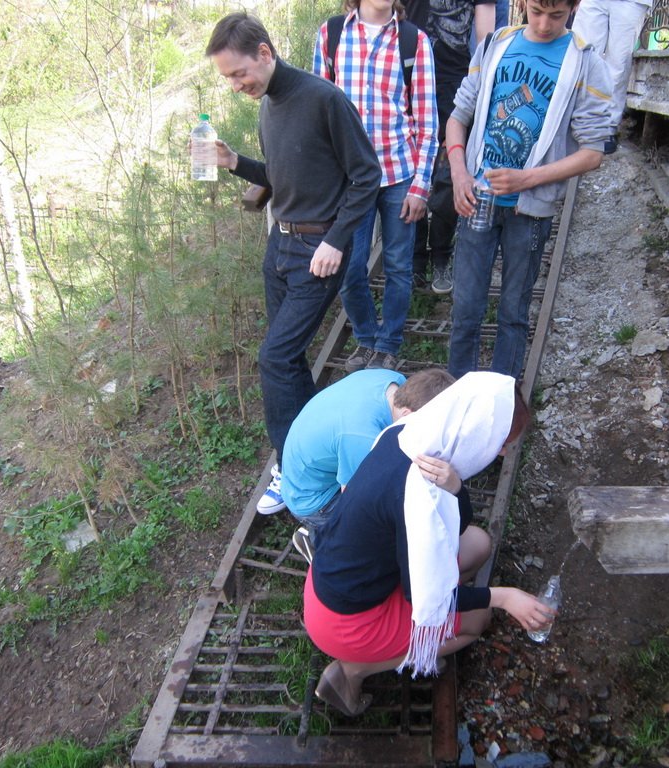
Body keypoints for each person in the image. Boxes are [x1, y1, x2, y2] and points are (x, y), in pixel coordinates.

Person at [204, 13, 381, 514]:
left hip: (318, 253)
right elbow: (283, 178)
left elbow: (366, 175)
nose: (236, 85)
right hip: (279, 248)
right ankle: (314, 454)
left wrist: (337, 241)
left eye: (239, 73)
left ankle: (292, 466)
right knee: (289, 359)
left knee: (275, 358)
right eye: (228, 78)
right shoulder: (268, 105)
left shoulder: (323, 99)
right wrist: (235, 163)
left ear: (264, 52)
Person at [304, 372, 555, 716]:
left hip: (335, 581)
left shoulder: (409, 433)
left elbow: (459, 524)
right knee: (478, 619)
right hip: (344, 621)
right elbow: (424, 596)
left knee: (478, 543)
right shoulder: (415, 493)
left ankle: (403, 636)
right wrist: (504, 597)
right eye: (501, 442)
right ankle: (353, 669)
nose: (501, 452)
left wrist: (455, 487)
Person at [445, 0, 614, 380]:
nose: (543, 24)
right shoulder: (495, 45)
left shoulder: (585, 62)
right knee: (465, 309)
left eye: (556, 15)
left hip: (531, 211)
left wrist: (527, 179)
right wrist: (459, 174)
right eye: (536, 11)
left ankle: (503, 399)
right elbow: (458, 117)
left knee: (513, 313)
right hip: (477, 199)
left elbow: (592, 153)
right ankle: (457, 395)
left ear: (574, 7)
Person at [313, 0, 439, 373]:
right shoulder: (332, 34)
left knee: (398, 265)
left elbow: (427, 119)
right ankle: (366, 338)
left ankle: (388, 345)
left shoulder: (414, 41)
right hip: (350, 178)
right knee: (349, 266)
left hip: (398, 171)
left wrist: (421, 185)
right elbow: (317, 110)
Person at [280, 367, 455, 559]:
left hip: (307, 467)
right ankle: (321, 543)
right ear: (407, 414)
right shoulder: (362, 438)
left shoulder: (392, 381)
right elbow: (354, 502)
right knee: (382, 530)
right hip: (313, 500)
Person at [402, 0, 496, 294]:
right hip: (407, 78)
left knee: (447, 177)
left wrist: (484, 83)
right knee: (410, 173)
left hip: (454, 82)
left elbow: (486, 36)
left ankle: (441, 254)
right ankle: (416, 259)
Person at [570, 0, 651, 130]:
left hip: (632, 3)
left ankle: (606, 128)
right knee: (581, 58)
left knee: (618, 67)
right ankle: (572, 119)